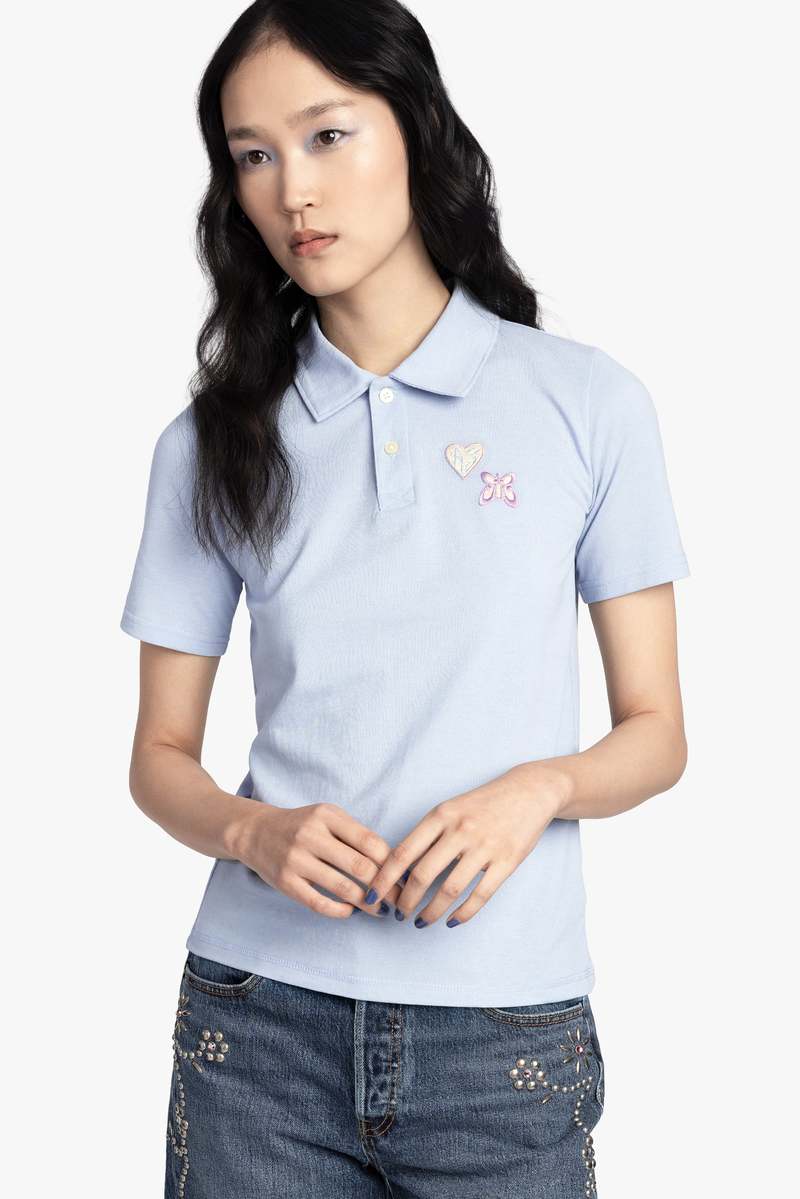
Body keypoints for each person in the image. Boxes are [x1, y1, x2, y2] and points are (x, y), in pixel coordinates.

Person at [120, 1, 690, 1195]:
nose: (293, 191)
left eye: (327, 135)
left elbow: (655, 733)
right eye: (253, 155)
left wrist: (539, 787)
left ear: (416, 128)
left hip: (504, 1032)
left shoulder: (586, 404)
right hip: (258, 1024)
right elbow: (159, 757)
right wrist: (251, 830)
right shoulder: (209, 442)